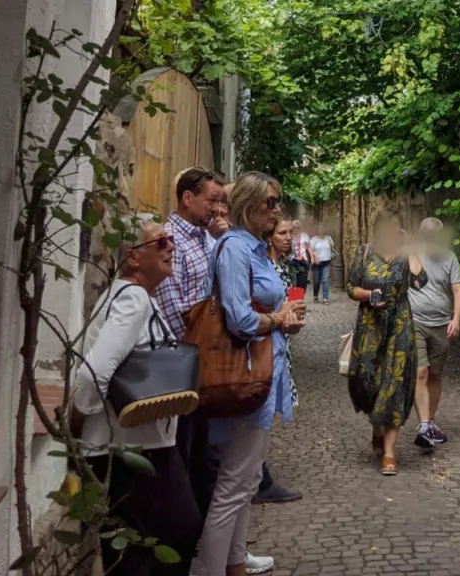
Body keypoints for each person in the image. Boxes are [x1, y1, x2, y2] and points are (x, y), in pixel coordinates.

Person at [190, 172, 306, 576]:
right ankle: (209, 569)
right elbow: (239, 318)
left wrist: (281, 320)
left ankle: (235, 562)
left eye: (278, 201)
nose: (277, 209)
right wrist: (278, 318)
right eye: (270, 202)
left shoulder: (253, 249)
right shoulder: (236, 249)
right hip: (243, 372)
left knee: (245, 477)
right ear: (249, 204)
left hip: (260, 369)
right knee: (235, 482)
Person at [75, 215, 201, 576]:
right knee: (163, 535)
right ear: (133, 256)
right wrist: (81, 416)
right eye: (160, 242)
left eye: (170, 241)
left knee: (146, 541)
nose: (171, 248)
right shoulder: (133, 300)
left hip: (139, 444)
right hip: (129, 448)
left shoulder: (136, 297)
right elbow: (93, 372)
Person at [153, 167, 222, 517]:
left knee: (205, 455)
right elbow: (174, 311)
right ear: (187, 198)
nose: (217, 208)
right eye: (213, 200)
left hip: (204, 361)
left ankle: (211, 542)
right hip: (183, 364)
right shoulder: (169, 241)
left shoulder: (202, 237)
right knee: (185, 452)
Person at [346, 209, 427, 476]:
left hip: (399, 327)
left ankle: (390, 454)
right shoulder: (365, 252)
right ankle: (376, 425)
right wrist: (369, 295)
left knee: (395, 384)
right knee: (368, 382)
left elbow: (420, 280)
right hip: (370, 328)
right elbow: (350, 287)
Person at [252, 215, 304, 505]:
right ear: (270, 236)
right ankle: (258, 478)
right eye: (282, 232)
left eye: (289, 233)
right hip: (266, 345)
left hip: (280, 343)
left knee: (266, 412)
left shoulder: (282, 265)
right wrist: (282, 319)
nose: (287, 237)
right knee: (261, 411)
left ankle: (259, 474)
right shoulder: (263, 265)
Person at [407, 218, 460, 449]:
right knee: (421, 371)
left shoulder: (449, 258)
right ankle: (423, 424)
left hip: (441, 324)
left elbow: (458, 289)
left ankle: (430, 421)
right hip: (415, 321)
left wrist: (456, 318)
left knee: (436, 375)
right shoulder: (412, 255)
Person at [309, 223, 337, 304]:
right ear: (317, 230)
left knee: (325, 280)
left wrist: (331, 245)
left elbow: (332, 248)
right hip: (317, 263)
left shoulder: (328, 238)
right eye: (319, 229)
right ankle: (315, 296)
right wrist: (314, 255)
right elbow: (310, 250)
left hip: (326, 262)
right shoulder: (314, 239)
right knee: (316, 281)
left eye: (323, 229)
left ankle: (325, 298)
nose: (321, 230)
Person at [289, 220, 311, 290]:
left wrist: (313, 257)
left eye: (298, 227)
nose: (296, 229)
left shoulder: (304, 235)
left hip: (303, 261)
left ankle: (300, 298)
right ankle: (294, 298)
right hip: (292, 261)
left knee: (302, 283)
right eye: (294, 227)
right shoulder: (289, 236)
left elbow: (309, 247)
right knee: (293, 282)